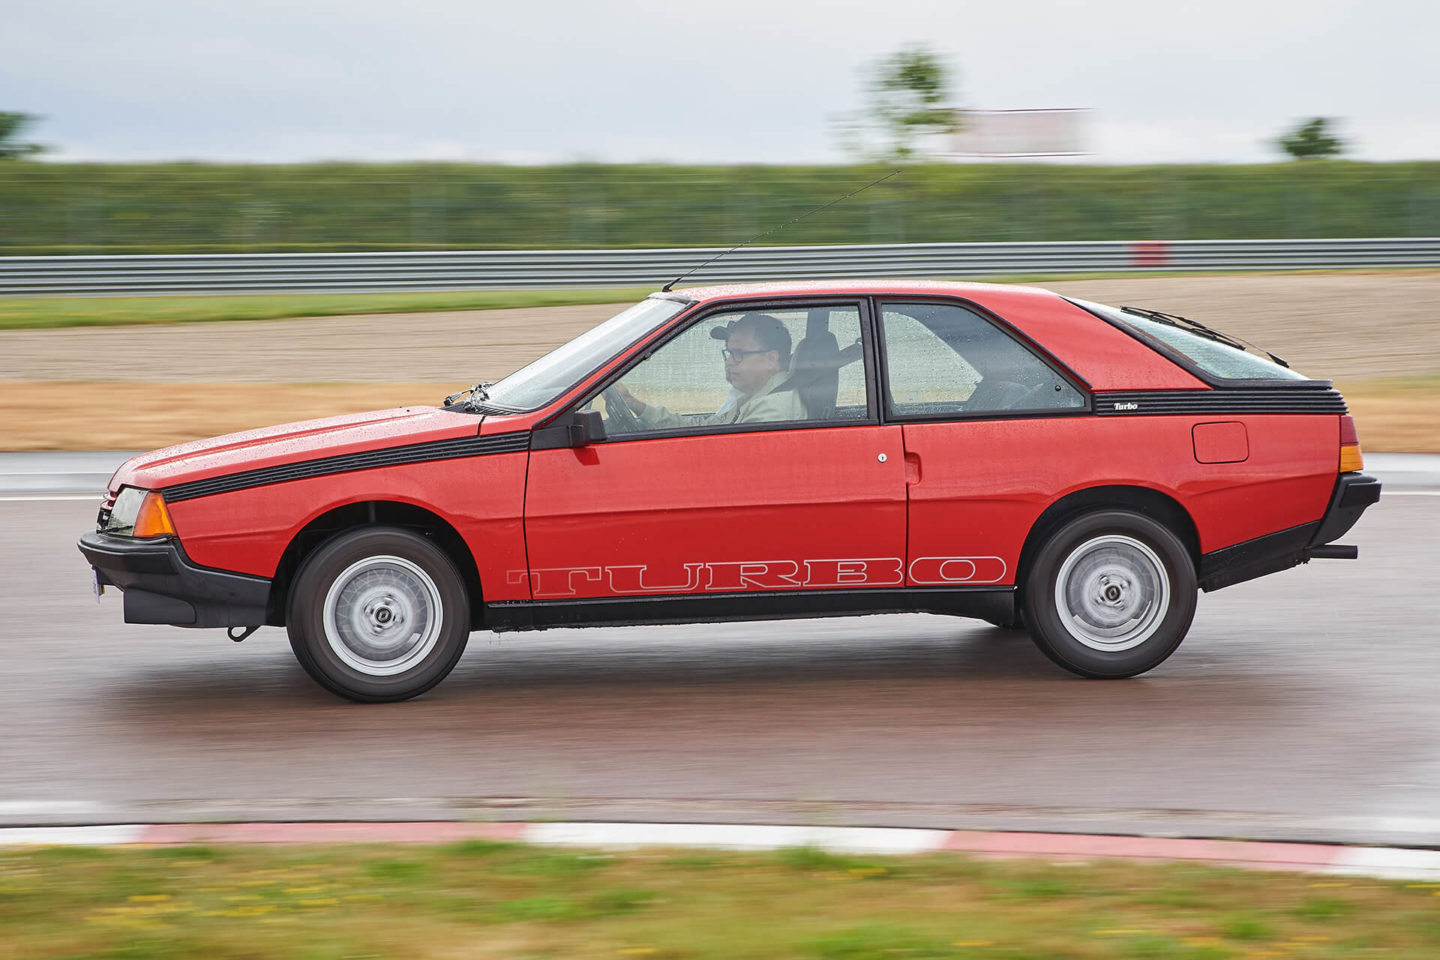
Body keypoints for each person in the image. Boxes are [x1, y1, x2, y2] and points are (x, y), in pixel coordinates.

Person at [617, 313, 808, 429]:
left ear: (771, 359)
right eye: (729, 353)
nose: (729, 362)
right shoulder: (756, 396)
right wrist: (633, 403)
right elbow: (704, 427)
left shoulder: (771, 409)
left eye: (739, 353)